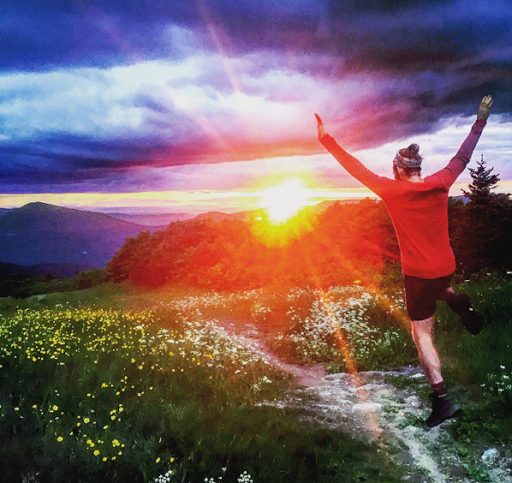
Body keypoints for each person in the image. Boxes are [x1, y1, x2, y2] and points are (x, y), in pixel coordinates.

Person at [316, 95, 493, 428]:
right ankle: (456, 299)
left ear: (398, 170)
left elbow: (355, 167)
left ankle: (442, 400)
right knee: (440, 287)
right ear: (418, 169)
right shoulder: (441, 182)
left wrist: (326, 138)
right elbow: (463, 155)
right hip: (445, 267)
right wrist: (480, 119)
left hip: (418, 275)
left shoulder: (392, 191)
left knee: (421, 335)